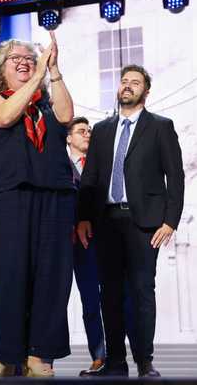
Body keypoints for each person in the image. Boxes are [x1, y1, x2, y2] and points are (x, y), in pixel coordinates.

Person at [77, 65, 184, 377]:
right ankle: (115, 361)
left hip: (145, 223)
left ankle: (145, 360)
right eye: (124, 81)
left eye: (135, 82)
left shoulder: (161, 127)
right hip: (106, 221)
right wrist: (83, 217)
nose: (127, 86)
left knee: (141, 291)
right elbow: (90, 177)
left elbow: (175, 177)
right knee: (108, 292)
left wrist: (170, 221)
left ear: (145, 91)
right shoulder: (102, 129)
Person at [0, 32, 75, 377]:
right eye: (15, 58)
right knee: (9, 274)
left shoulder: (46, 105)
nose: (23, 61)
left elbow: (66, 116)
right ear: (0, 69)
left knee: (51, 276)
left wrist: (54, 70)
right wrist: (36, 74)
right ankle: (8, 354)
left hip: (54, 196)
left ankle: (39, 353)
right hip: (9, 197)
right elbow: (4, 117)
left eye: (30, 57)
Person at [66, 117, 107, 376]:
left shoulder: (100, 166)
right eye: (81, 131)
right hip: (62, 241)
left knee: (93, 300)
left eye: (89, 130)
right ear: (68, 138)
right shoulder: (58, 165)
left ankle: (100, 357)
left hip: (93, 242)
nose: (87, 134)